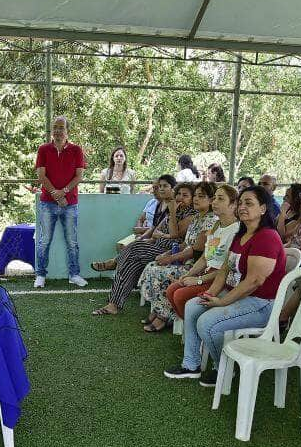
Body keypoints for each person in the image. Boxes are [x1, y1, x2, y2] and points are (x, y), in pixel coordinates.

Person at [164, 185, 289, 386]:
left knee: (207, 323)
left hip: (261, 303)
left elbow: (254, 281)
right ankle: (191, 365)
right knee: (193, 305)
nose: (242, 207)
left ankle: (223, 368)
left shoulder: (267, 237)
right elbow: (225, 269)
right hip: (238, 295)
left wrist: (222, 302)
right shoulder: (241, 234)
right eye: (241, 203)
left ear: (263, 209)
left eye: (249, 203)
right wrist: (210, 294)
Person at [91, 178, 195, 315]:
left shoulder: (191, 215)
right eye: (179, 194)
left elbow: (175, 234)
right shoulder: (173, 210)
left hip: (169, 251)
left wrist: (171, 218)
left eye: (185, 195)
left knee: (135, 247)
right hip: (157, 245)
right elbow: (157, 230)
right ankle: (113, 304)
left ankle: (114, 263)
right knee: (130, 262)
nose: (180, 198)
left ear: (192, 199)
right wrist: (160, 234)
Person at [139, 181, 219, 332]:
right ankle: (157, 310)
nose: (196, 199)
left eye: (201, 196)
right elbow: (185, 244)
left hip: (196, 267)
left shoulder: (211, 221)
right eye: (195, 195)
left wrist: (170, 259)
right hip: (184, 261)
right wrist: (167, 254)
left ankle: (165, 316)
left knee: (161, 272)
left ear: (211, 200)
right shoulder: (197, 218)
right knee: (152, 267)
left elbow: (196, 250)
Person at [165, 184, 241, 326]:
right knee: (171, 290)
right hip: (208, 274)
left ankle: (194, 329)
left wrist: (198, 280)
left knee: (180, 295)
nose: (214, 202)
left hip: (221, 279)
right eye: (214, 198)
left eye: (220, 199)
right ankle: (191, 328)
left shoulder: (236, 230)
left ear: (233, 205)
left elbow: (226, 269)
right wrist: (189, 274)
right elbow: (205, 257)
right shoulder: (216, 226)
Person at [34, 115, 87, 288]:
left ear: (67, 131)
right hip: (47, 203)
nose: (57, 131)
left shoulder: (76, 150)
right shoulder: (43, 149)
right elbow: (41, 176)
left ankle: (74, 274)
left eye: (61, 128)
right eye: (55, 127)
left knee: (72, 241)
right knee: (44, 240)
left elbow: (79, 176)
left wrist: (63, 192)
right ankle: (40, 275)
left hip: (70, 203)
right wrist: (55, 194)